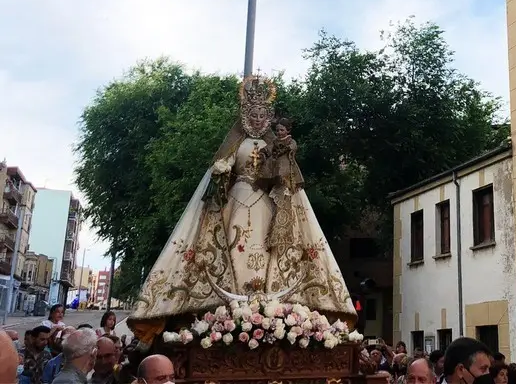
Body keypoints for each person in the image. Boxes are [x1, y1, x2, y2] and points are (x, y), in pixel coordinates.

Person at [127, 75, 356, 344]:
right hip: (238, 199)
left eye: (263, 115)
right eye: (254, 114)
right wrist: (222, 172)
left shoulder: (276, 145)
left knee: (273, 247)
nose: (258, 120)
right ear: (246, 115)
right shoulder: (237, 143)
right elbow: (224, 167)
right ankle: (229, 303)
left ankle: (272, 302)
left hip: (269, 201)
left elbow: (288, 174)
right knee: (233, 244)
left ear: (269, 117)